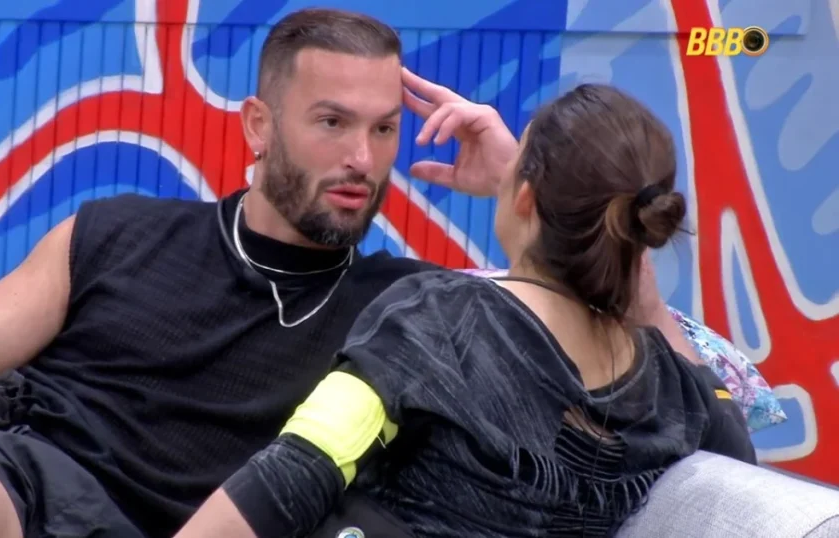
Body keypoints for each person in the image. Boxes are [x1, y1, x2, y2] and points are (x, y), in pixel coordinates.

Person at [0, 8, 730, 538]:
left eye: (384, 129)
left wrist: (531, 186)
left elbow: (588, 309)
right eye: (331, 122)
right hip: (38, 486)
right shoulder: (116, 231)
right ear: (258, 125)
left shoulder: (416, 310)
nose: (363, 158)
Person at [172, 76, 757, 538]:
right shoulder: (674, 388)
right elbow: (739, 465)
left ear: (525, 195)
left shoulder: (443, 318)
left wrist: (533, 192)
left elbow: (294, 473)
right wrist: (549, 204)